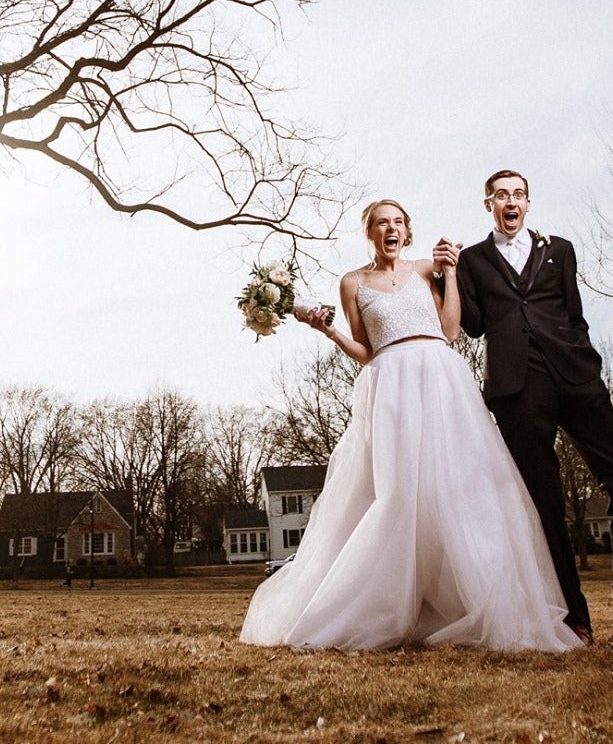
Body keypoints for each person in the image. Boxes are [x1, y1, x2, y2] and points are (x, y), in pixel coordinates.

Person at [240, 199, 583, 653]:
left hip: (442, 378)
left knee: (461, 488)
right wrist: (328, 331)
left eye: (398, 222)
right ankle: (386, 604)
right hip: (392, 384)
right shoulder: (353, 282)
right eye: (382, 223)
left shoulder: (426, 270)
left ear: (408, 231)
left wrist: (453, 272)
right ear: (370, 233)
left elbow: (452, 328)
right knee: (399, 492)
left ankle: (473, 601)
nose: (391, 229)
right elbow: (365, 349)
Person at [446, 169, 613, 648]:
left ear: (528, 203)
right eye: (501, 195)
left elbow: (574, 312)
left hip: (575, 377)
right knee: (544, 503)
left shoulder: (559, 249)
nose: (511, 201)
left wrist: (587, 362)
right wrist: (449, 273)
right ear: (488, 204)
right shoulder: (474, 261)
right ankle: (573, 619)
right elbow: (475, 327)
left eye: (519, 194)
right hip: (517, 389)